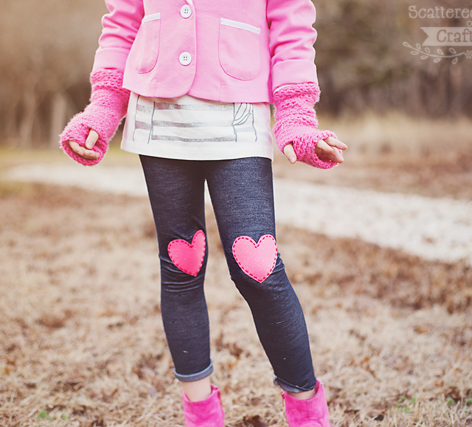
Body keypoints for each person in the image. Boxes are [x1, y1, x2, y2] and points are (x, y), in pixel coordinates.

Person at [59, 0, 348, 425]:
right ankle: (201, 412)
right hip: (158, 119)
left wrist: (295, 115)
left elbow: (292, 29)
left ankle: (307, 411)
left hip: (239, 118)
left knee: (258, 268)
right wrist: (103, 107)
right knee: (182, 263)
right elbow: (122, 25)